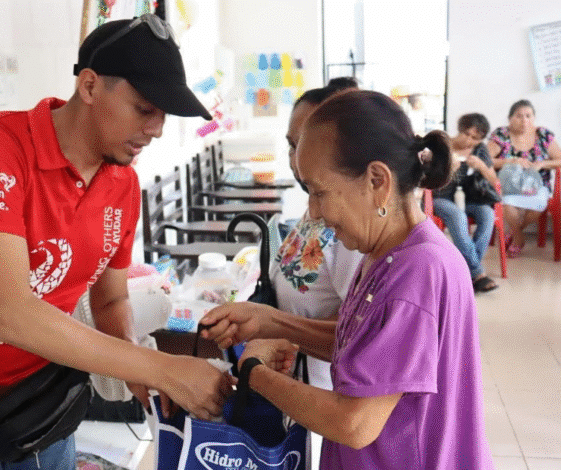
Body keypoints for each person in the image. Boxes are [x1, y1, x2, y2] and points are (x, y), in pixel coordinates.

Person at [0, 14, 233, 470]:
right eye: (145, 107)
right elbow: (7, 313)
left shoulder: (123, 186)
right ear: (90, 87)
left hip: (39, 393)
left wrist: (134, 363)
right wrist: (161, 368)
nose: (156, 129)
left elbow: (110, 299)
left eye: (163, 114)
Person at [202, 90, 494, 469]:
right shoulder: (389, 252)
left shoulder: (417, 273)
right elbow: (367, 347)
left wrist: (253, 372)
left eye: (319, 192)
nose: (314, 212)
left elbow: (354, 422)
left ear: (376, 180)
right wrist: (269, 321)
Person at [280, 80, 363, 470]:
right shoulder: (317, 206)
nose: (296, 159)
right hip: (301, 378)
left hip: (326, 387)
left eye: (304, 145)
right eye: (291, 145)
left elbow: (356, 326)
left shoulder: (350, 229)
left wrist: (279, 330)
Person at [432, 113, 499, 292]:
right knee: (457, 215)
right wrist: (448, 167)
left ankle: (466, 271)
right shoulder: (442, 145)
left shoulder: (480, 150)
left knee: (488, 214)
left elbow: (494, 180)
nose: (469, 140)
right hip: (441, 197)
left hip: (471, 198)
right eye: (466, 134)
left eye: (475, 138)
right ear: (460, 129)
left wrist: (482, 166)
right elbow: (427, 177)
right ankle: (478, 273)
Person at [487, 99, 561, 257]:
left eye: (528, 116)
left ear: (534, 118)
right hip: (510, 184)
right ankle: (519, 238)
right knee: (507, 203)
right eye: (519, 116)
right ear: (510, 118)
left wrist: (542, 164)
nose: (524, 120)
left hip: (537, 185)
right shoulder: (502, 134)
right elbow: (486, 160)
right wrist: (510, 160)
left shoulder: (542, 134)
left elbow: (559, 159)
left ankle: (515, 233)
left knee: (538, 204)